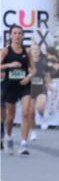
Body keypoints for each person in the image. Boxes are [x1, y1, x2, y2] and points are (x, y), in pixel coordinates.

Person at [1, 25, 35, 154]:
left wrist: (29, 76)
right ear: (10, 35)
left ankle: (23, 144)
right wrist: (10, 64)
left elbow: (34, 68)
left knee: (26, 113)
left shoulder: (27, 51)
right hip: (10, 86)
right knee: (10, 117)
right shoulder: (5, 51)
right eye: (14, 33)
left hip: (24, 85)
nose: (17, 36)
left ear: (22, 36)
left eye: (20, 33)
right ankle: (9, 137)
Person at [28, 45, 48, 140]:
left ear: (39, 51)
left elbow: (47, 74)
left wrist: (50, 84)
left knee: (40, 106)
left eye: (37, 50)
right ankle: (33, 132)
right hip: (31, 88)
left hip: (41, 87)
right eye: (33, 50)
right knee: (31, 113)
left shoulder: (43, 62)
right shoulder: (27, 63)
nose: (35, 51)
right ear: (30, 52)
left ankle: (42, 116)